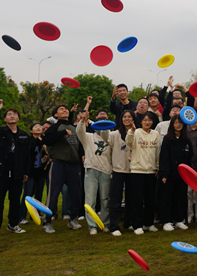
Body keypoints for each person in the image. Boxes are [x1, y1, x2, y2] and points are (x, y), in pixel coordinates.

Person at [0, 99, 32, 237]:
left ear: (18, 118)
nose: (12, 116)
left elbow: (27, 155)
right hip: (1, 171)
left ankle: (13, 224)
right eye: (9, 114)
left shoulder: (23, 135)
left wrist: (25, 172)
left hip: (17, 172)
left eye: (14, 114)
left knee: (15, 200)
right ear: (5, 119)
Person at [41, 104, 83, 233]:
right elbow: (47, 140)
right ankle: (47, 221)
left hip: (74, 165)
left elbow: (79, 144)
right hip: (58, 164)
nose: (65, 110)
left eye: (66, 109)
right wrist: (63, 133)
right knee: (53, 194)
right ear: (56, 115)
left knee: (76, 194)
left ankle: (72, 219)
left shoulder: (74, 128)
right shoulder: (54, 127)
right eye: (61, 109)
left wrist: (82, 155)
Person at [75, 99, 112, 235]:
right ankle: (92, 226)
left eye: (104, 124)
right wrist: (83, 119)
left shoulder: (111, 137)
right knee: (90, 200)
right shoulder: (88, 137)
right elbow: (79, 130)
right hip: (91, 171)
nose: (101, 127)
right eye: (98, 124)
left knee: (105, 200)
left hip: (106, 171)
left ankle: (105, 223)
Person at [125, 112, 160, 234]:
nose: (147, 122)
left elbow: (158, 151)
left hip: (151, 171)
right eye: (145, 120)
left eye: (149, 120)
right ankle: (137, 225)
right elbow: (128, 142)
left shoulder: (155, 134)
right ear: (141, 121)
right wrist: (131, 131)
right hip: (137, 170)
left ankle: (148, 223)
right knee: (137, 199)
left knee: (150, 199)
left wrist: (157, 167)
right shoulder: (136, 132)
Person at [101, 110, 134, 236]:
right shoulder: (115, 134)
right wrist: (104, 126)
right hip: (118, 171)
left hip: (133, 171)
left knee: (131, 199)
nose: (127, 119)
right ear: (121, 119)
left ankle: (128, 223)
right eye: (124, 117)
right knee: (115, 200)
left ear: (133, 119)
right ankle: (114, 226)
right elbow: (105, 138)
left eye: (129, 117)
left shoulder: (137, 132)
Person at [158, 114, 193, 231]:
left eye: (180, 123)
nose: (178, 125)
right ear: (172, 124)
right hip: (169, 174)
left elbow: (190, 157)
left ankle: (179, 220)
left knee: (181, 197)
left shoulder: (186, 140)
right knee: (167, 198)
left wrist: (188, 174)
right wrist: (164, 174)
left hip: (182, 175)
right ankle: (166, 221)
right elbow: (163, 158)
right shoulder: (167, 139)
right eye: (176, 122)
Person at [23, 122, 47, 205]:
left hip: (41, 170)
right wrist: (36, 140)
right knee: (28, 192)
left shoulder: (44, 139)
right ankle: (23, 211)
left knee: (39, 193)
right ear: (31, 131)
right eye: (36, 127)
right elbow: (28, 149)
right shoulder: (28, 139)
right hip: (30, 170)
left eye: (40, 126)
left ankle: (37, 211)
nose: (38, 128)